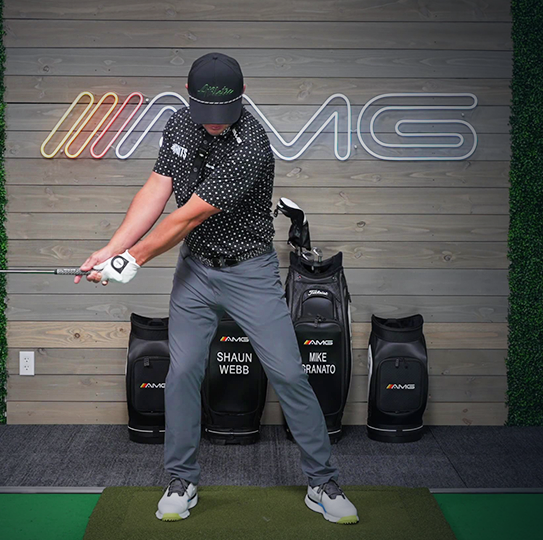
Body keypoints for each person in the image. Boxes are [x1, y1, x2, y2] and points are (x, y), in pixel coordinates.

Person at [76, 52, 359, 525]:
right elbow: (157, 189)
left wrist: (131, 260)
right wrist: (110, 249)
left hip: (250, 273)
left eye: (222, 113)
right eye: (204, 112)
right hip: (195, 272)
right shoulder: (179, 124)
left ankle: (322, 481)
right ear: (190, 100)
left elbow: (187, 216)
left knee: (289, 373)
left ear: (241, 98)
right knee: (183, 371)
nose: (213, 123)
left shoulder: (253, 145)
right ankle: (181, 480)